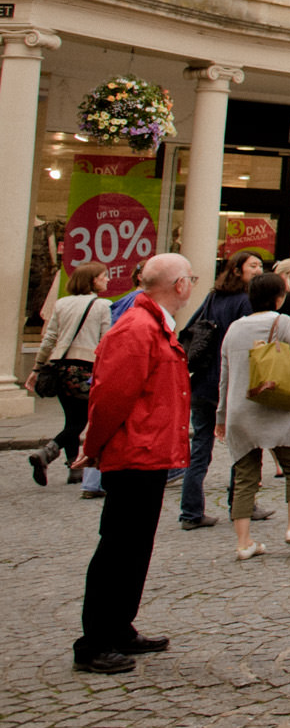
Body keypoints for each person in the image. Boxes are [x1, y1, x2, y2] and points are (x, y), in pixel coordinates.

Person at [72, 252, 195, 674]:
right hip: (134, 453)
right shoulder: (138, 327)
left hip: (149, 450)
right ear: (178, 285)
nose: (192, 286)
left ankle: (119, 626)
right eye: (190, 279)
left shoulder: (153, 325)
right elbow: (111, 395)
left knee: (135, 545)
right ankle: (94, 639)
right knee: (119, 547)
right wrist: (94, 446)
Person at [214, 271, 290, 559]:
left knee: (245, 476)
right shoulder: (281, 321)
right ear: (279, 297)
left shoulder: (234, 328)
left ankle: (244, 542)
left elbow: (225, 376)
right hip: (277, 408)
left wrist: (221, 417)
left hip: (239, 411)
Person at [180, 254, 264, 530]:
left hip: (203, 382)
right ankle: (241, 503)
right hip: (229, 382)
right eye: (253, 266)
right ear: (238, 270)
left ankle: (190, 512)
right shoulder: (246, 302)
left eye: (260, 266)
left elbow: (191, 328)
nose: (259, 270)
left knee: (201, 446)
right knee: (244, 446)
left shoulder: (213, 297)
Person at [28, 263, 107, 488]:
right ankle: (46, 453)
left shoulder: (61, 304)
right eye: (103, 277)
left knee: (71, 419)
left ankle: (74, 469)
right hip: (85, 368)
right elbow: (105, 341)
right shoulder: (102, 305)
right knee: (79, 422)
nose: (107, 280)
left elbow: (49, 338)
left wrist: (37, 368)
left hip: (60, 367)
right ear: (93, 280)